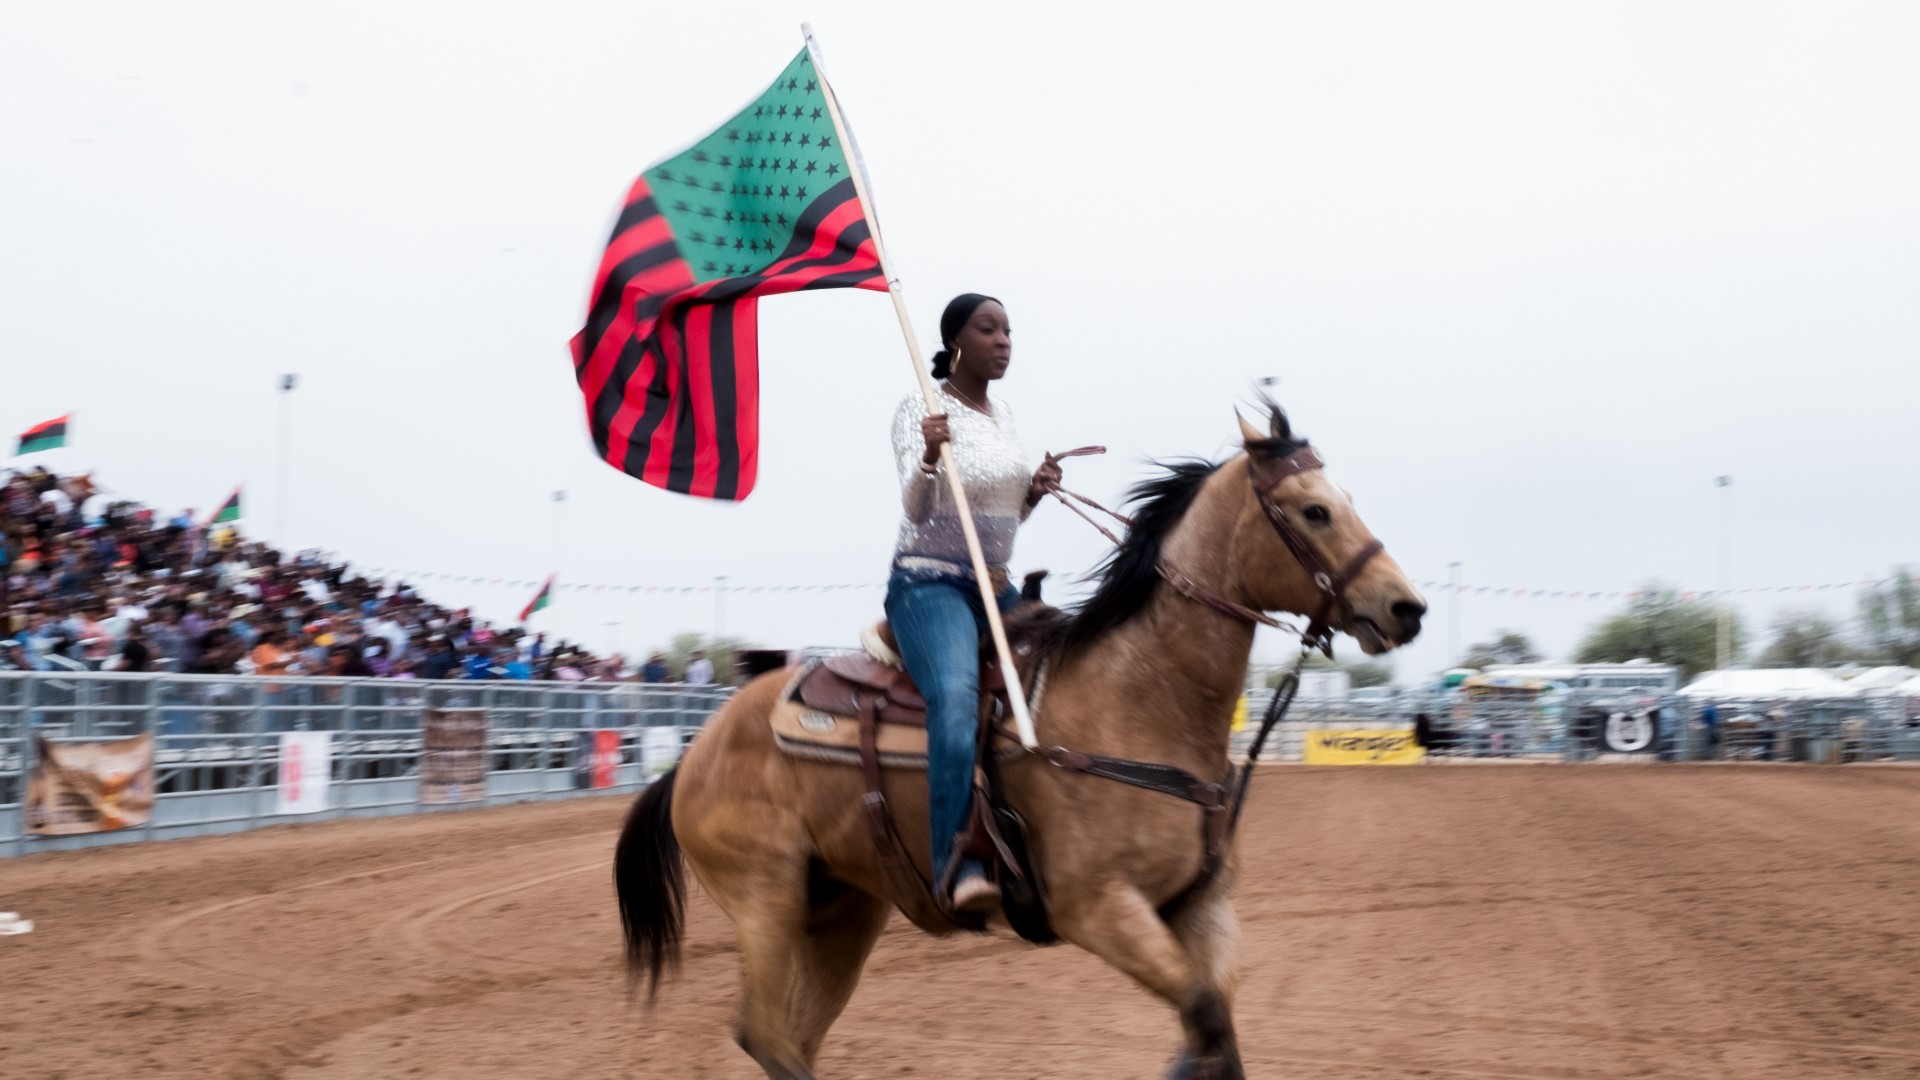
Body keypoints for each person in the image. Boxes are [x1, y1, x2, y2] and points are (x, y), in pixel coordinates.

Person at [883, 292, 1059, 916]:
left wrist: (1032, 495)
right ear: (956, 342)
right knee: (956, 702)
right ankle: (957, 866)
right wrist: (931, 454)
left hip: (996, 583)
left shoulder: (1002, 415)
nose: (1004, 340)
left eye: (1009, 329)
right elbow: (918, 510)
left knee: (1071, 671)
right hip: (930, 584)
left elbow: (995, 516)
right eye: (989, 329)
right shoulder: (921, 409)